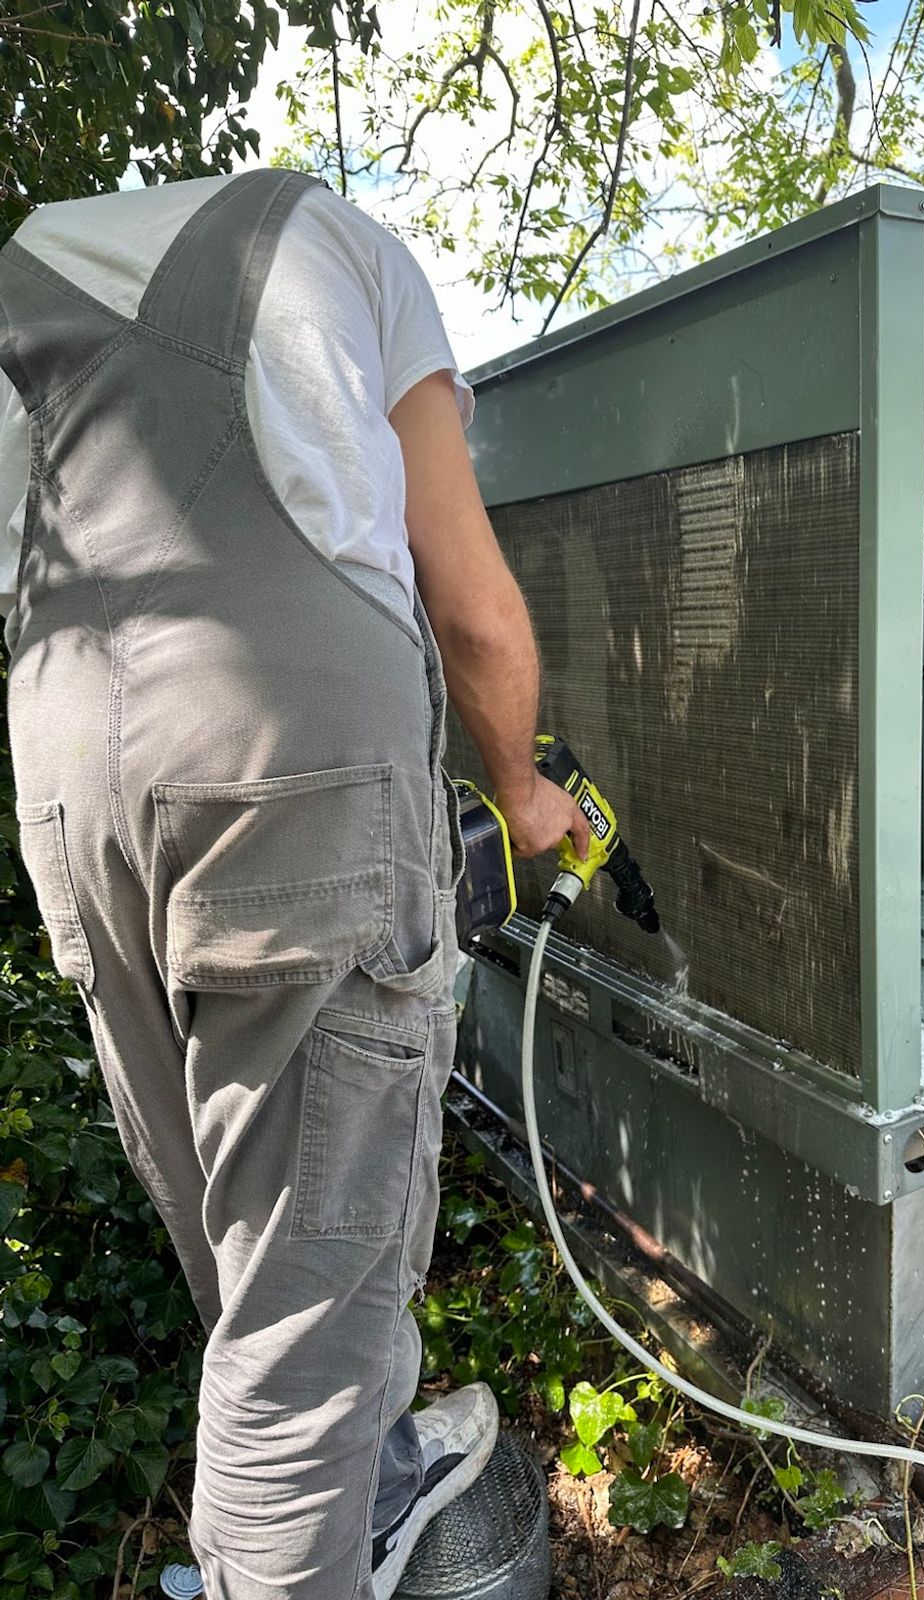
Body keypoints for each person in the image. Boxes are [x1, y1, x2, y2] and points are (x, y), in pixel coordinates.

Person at [0, 166, 590, 1600]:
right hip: (288, 751)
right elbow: (476, 614)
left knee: (241, 1231)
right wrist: (521, 793)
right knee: (308, 1311)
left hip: (68, 775)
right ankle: (294, 1542)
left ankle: (357, 1490)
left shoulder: (26, 272)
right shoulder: (339, 240)